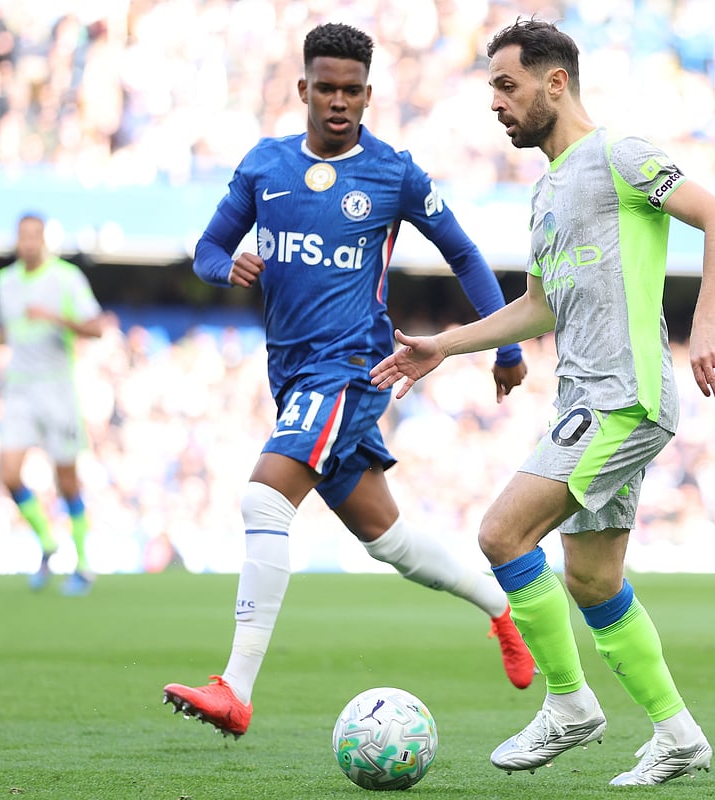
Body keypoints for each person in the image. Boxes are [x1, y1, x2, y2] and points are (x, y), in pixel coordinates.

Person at [370, 18, 715, 786]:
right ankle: (678, 736)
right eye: (493, 91)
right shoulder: (545, 192)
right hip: (587, 397)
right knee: (594, 581)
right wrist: (448, 344)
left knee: (502, 535)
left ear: (556, 82)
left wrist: (704, 324)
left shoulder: (619, 154)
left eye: (507, 86)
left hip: (624, 396)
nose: (497, 104)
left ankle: (569, 704)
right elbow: (537, 308)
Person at [160, 22, 535, 740]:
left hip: (353, 368)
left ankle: (234, 689)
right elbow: (208, 246)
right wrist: (225, 266)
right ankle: (500, 609)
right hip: (294, 374)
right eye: (325, 88)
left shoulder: (393, 173)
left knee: (264, 496)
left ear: (369, 94)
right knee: (385, 540)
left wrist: (506, 345)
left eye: (352, 91)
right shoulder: (264, 167)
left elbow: (464, 252)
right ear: (303, 89)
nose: (338, 101)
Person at [0, 213, 117, 596]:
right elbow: (7, 325)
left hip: (57, 389)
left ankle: (82, 563)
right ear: (16, 240)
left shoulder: (65, 278)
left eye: (34, 236)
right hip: (19, 390)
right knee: (8, 475)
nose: (28, 243)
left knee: (67, 481)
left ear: (43, 239)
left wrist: (56, 317)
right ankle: (47, 540)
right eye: (22, 236)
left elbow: (97, 327)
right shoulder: (5, 281)